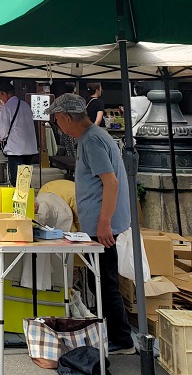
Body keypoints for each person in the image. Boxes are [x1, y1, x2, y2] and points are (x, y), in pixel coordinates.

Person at [49, 93, 135, 355]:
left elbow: (111, 182)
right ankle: (111, 332)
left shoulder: (92, 140)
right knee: (98, 280)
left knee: (104, 282)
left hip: (103, 225)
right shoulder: (92, 136)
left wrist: (104, 223)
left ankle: (121, 339)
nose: (57, 125)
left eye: (56, 120)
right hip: (99, 223)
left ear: (66, 117)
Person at [0, 80, 39, 186]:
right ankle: (28, 199)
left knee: (16, 180)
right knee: (25, 179)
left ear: (4, 93)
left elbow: (2, 132)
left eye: (1, 95)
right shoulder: (25, 105)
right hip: (30, 148)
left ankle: (20, 201)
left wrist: (0, 137)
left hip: (16, 149)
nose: (1, 99)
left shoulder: (7, 107)